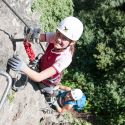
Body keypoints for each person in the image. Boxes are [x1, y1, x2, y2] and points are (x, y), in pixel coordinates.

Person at [8, 16, 84, 93]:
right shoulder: (55, 36)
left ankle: (51, 92)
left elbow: (39, 77)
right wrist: (32, 35)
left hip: (47, 81)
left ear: (72, 42)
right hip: (42, 64)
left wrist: (23, 67)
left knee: (43, 87)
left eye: (64, 38)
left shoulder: (65, 58)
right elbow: (37, 38)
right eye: (59, 33)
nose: (58, 39)